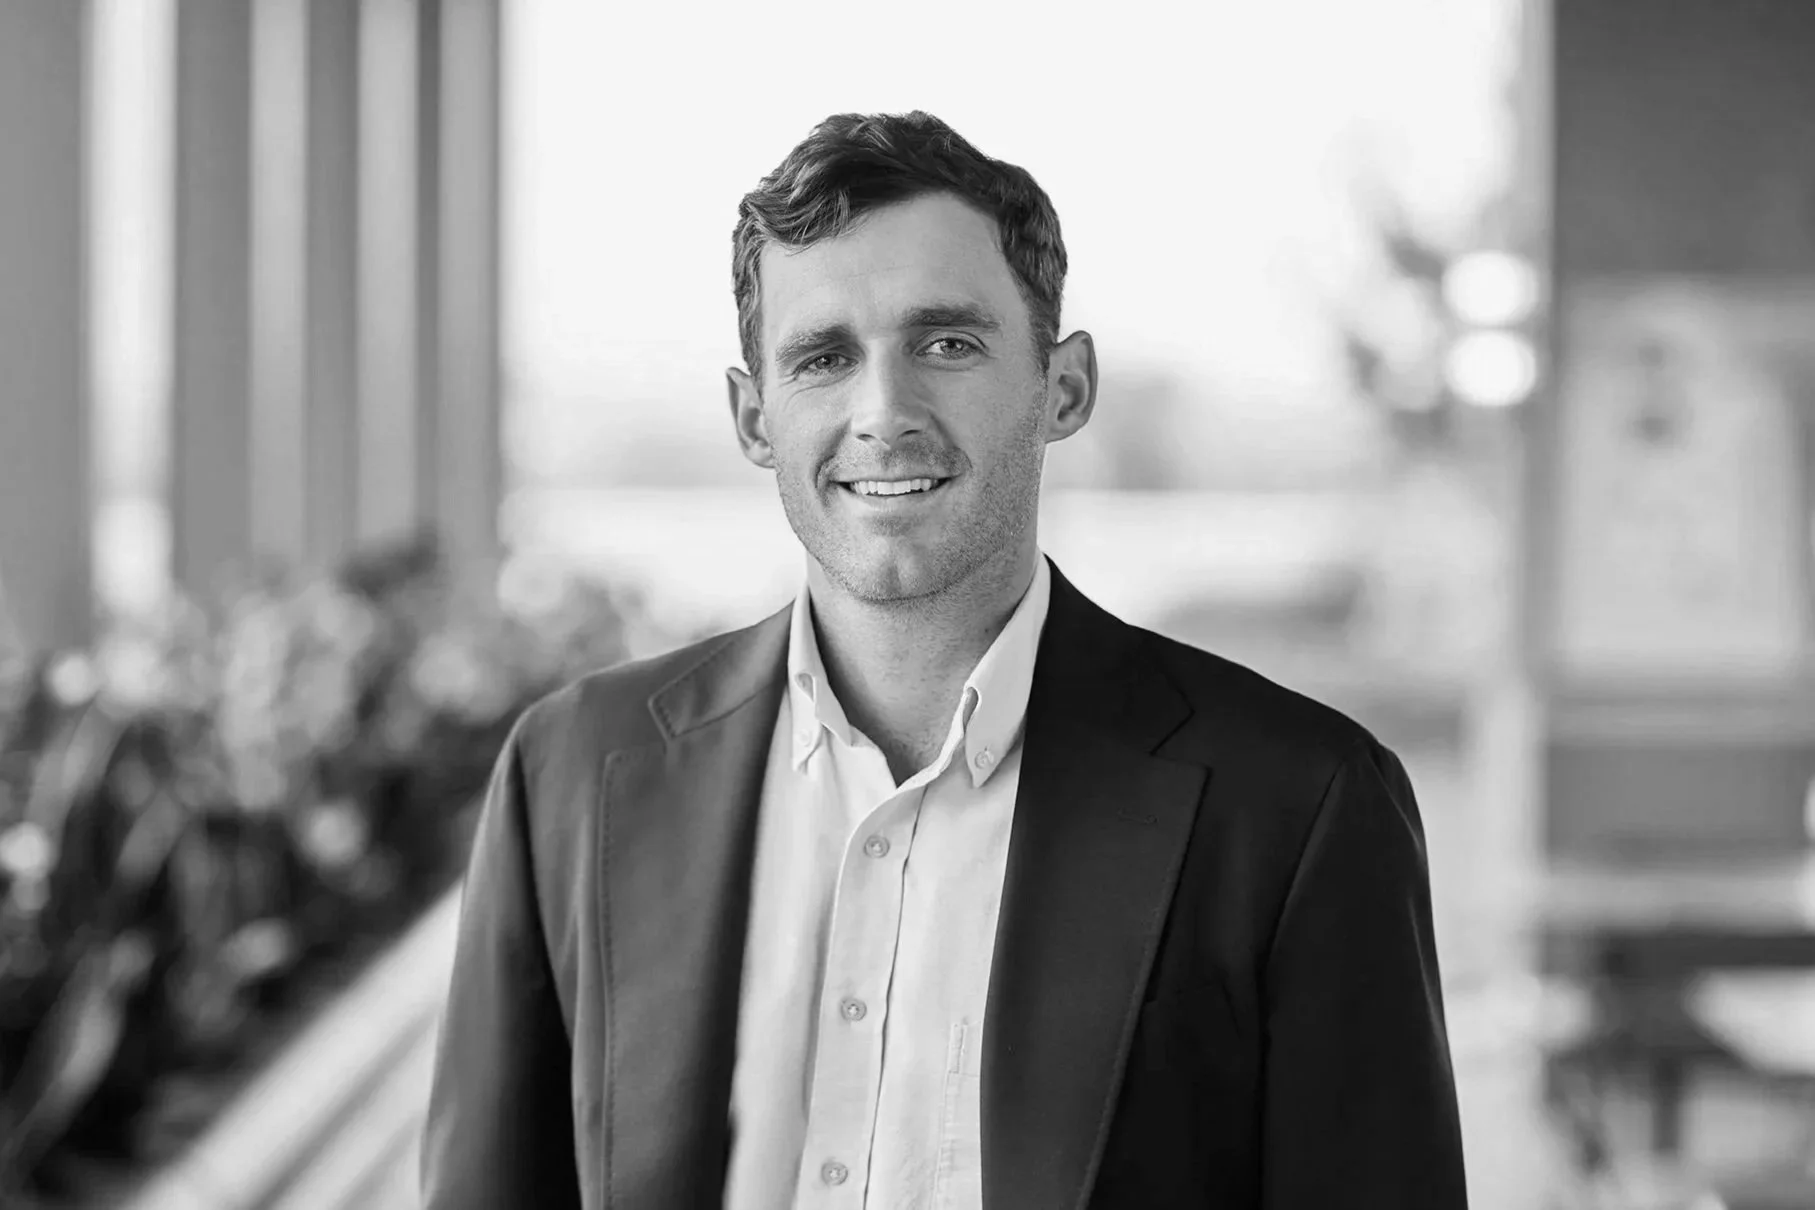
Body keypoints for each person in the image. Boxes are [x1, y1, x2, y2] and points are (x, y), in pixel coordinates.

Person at [420, 110, 1467, 1210]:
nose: (884, 413)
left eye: (948, 344)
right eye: (824, 358)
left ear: (1063, 388)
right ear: (752, 416)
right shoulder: (574, 773)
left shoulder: (1300, 806)